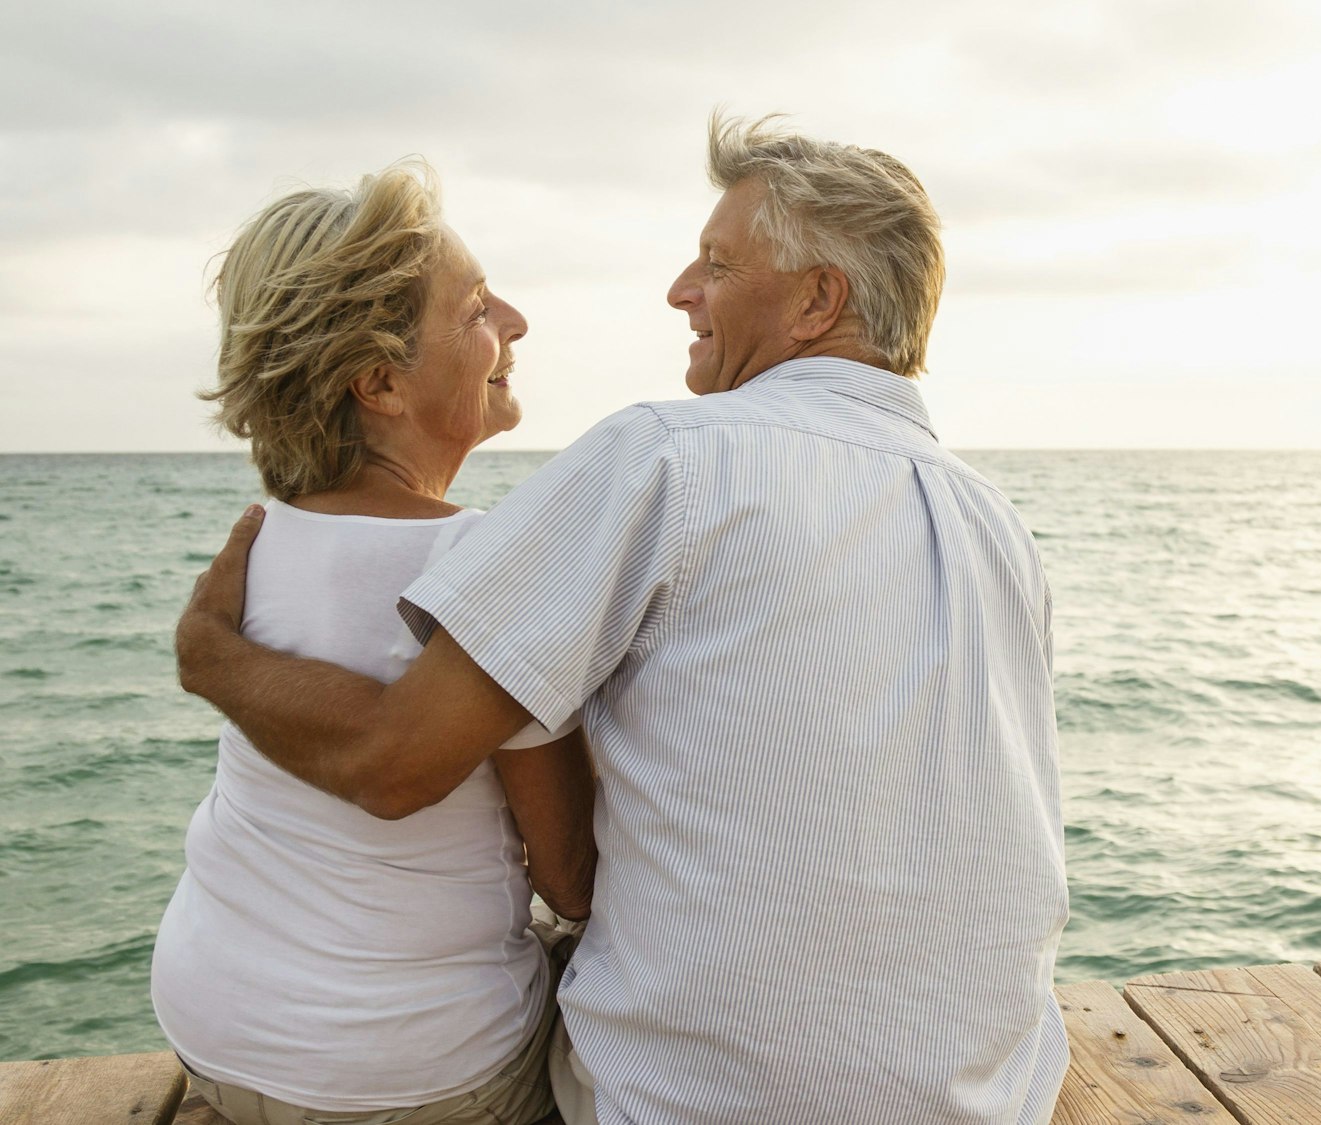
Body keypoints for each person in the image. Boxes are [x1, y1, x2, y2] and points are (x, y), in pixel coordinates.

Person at [177, 115, 1070, 1125]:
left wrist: (209, 656)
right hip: (986, 1095)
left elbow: (398, 762)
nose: (679, 292)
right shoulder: (997, 523)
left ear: (819, 299)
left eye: (715, 267)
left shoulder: (667, 454)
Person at [152, 163, 596, 1125]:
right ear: (380, 381)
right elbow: (570, 875)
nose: (514, 321)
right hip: (414, 1080)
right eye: (477, 308)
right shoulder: (481, 557)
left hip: (212, 1032)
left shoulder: (260, 543)